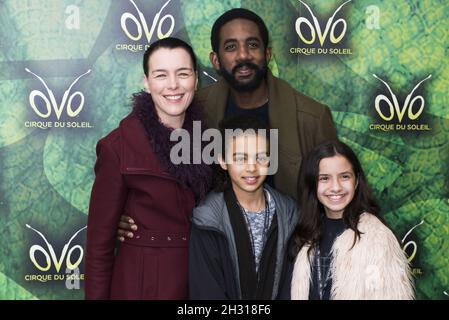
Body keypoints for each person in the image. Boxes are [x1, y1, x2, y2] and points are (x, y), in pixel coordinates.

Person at [117, 7, 337, 240]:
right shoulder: (191, 109)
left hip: (289, 253)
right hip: (213, 253)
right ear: (216, 60)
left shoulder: (311, 117)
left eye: (252, 45)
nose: (243, 55)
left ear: (268, 54)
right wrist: (128, 211)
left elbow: (335, 191)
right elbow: (149, 168)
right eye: (231, 47)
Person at [85, 38, 212, 299]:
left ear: (196, 80)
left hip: (202, 278)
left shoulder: (209, 139)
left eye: (183, 74)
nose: (173, 85)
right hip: (143, 285)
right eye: (161, 75)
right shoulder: (117, 146)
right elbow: (99, 247)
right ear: (147, 82)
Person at [287, 140, 414, 300]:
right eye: (325, 178)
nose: (336, 187)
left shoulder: (377, 239)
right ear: (313, 184)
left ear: (357, 181)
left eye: (344, 176)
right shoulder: (303, 234)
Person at [189, 115, 298, 299]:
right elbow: (206, 291)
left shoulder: (290, 214)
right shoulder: (207, 218)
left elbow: (293, 286)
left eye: (261, 157)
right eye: (240, 158)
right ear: (223, 161)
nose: (251, 168)